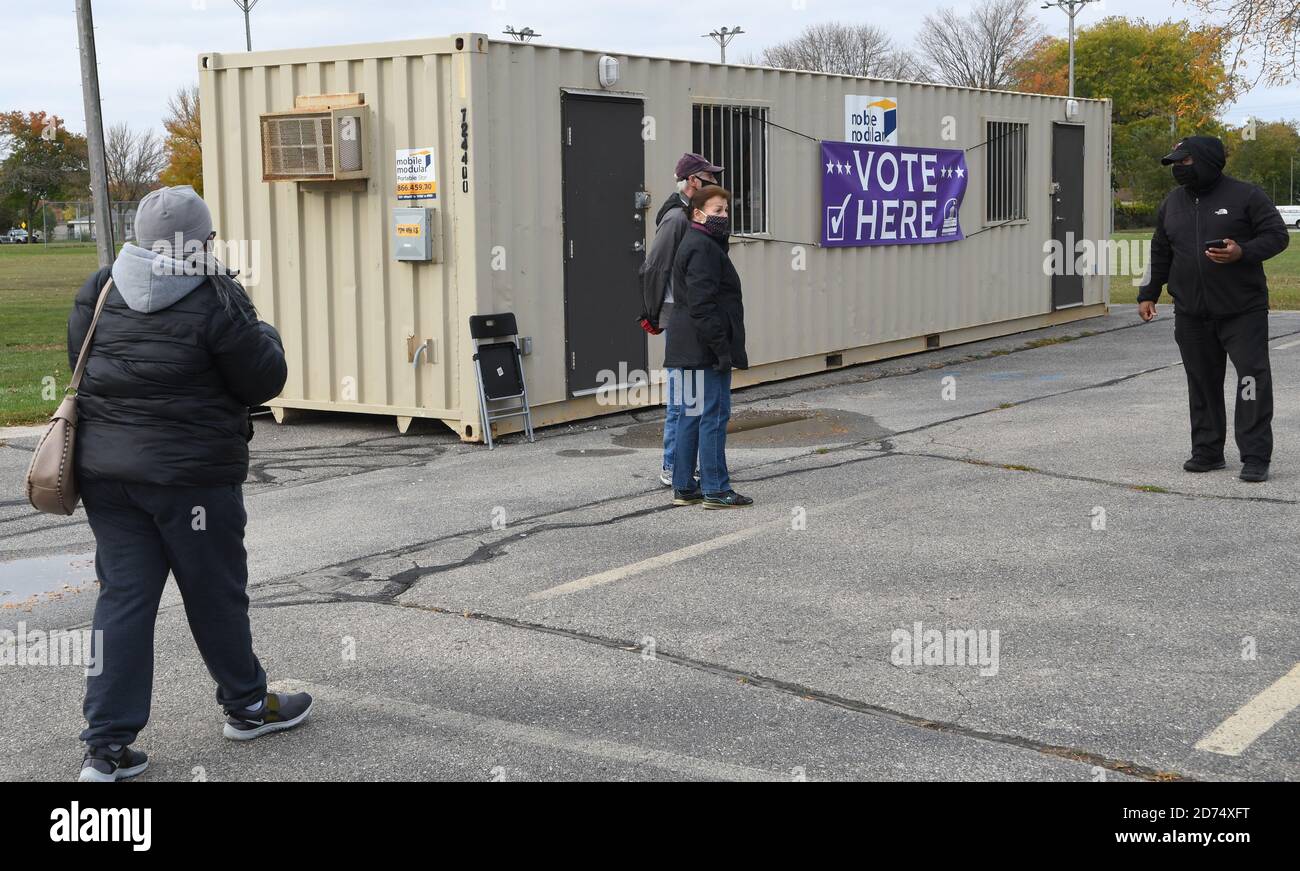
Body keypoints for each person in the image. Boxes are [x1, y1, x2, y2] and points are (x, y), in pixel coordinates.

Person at [69, 185, 312, 782]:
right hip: (193, 481)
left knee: (122, 601)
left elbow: (85, 363)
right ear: (200, 241)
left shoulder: (99, 289)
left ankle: (106, 749)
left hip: (108, 477)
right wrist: (268, 332)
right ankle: (248, 707)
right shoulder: (217, 298)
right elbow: (263, 380)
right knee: (213, 594)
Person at [1137, 135, 1290, 482]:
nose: (1178, 169)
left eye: (1184, 162)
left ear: (1207, 161)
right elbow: (1161, 250)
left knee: (1251, 380)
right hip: (1191, 313)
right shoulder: (1172, 203)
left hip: (1242, 310)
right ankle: (1207, 451)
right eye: (1175, 163)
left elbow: (1277, 235)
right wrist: (1148, 292)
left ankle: (1254, 456)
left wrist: (1242, 252)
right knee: (1202, 383)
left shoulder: (1246, 195)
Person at [664, 185, 752, 509]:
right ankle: (716, 488)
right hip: (703, 349)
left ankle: (684, 486)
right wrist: (722, 349)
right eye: (717, 211)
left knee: (690, 413)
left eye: (726, 210)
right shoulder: (702, 247)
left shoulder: (698, 242)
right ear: (697, 213)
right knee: (713, 415)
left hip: (687, 346)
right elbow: (703, 305)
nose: (724, 216)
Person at [639, 152, 723, 487]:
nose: (715, 184)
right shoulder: (676, 218)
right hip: (679, 317)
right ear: (692, 182)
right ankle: (673, 467)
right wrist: (653, 312)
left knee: (693, 395)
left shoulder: (693, 214)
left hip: (694, 314)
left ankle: (686, 464)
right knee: (681, 399)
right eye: (709, 179)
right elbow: (654, 266)